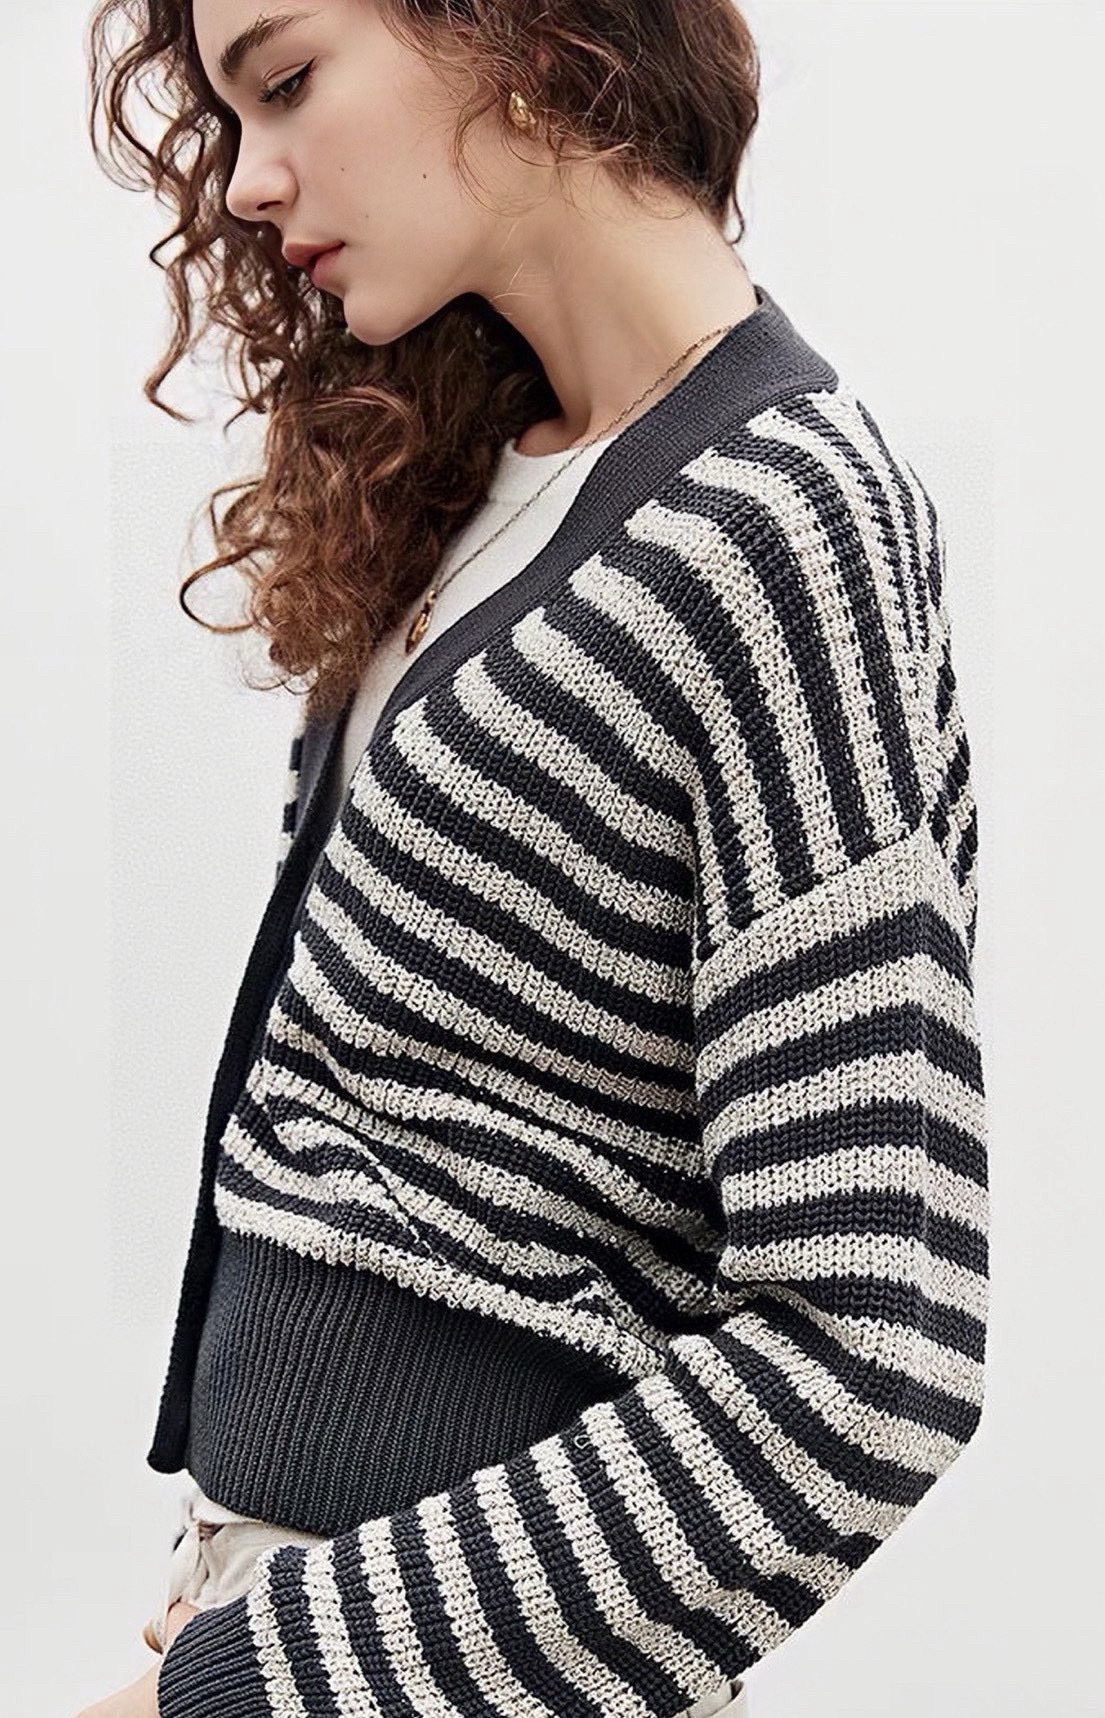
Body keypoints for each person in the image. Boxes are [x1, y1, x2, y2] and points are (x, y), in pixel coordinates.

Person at [80, 1, 989, 1714]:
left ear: (516, 30)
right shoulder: (475, 480)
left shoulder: (784, 519)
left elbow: (867, 1353)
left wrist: (267, 1674)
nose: (250, 180)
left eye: (287, 82)